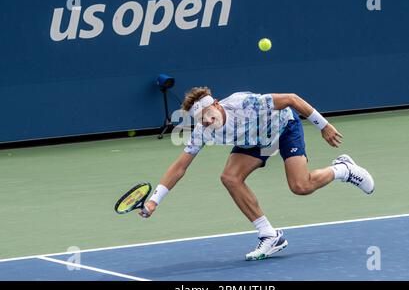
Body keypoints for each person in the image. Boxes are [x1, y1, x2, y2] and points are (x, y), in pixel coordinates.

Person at [139, 87, 375, 261]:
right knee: (229, 178)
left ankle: (343, 169)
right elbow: (180, 167)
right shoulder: (203, 132)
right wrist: (153, 201)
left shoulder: (246, 104)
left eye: (210, 114)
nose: (209, 121)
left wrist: (323, 126)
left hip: (282, 128)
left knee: (301, 186)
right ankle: (269, 235)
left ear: (218, 104)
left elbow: (291, 99)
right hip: (254, 142)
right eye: (202, 120)